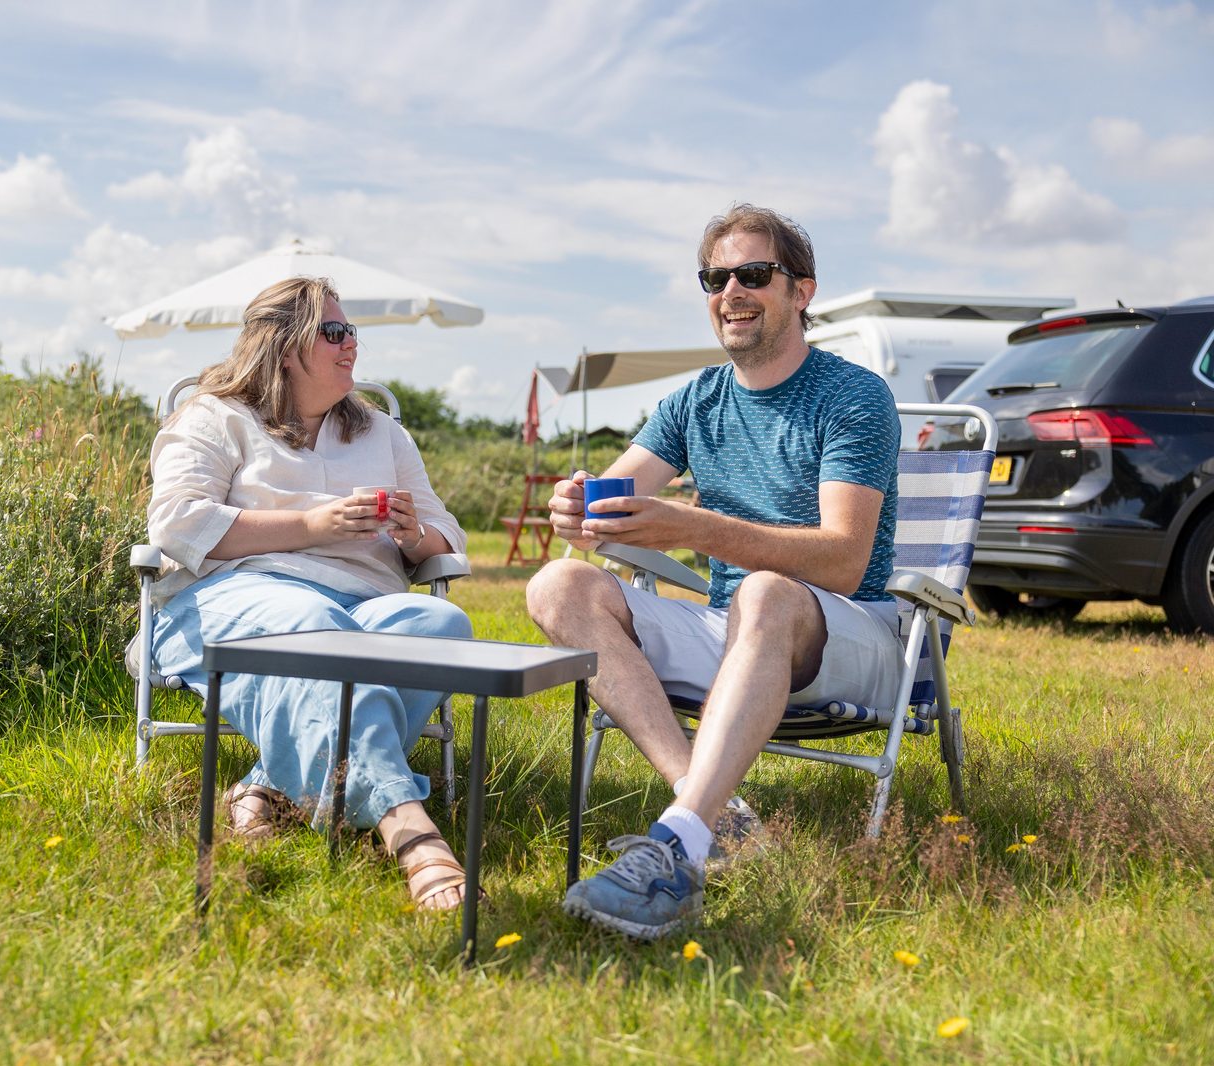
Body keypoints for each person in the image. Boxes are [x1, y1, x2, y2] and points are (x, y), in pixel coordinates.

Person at [527, 204, 902, 940]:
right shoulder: (695, 399)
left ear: (802, 291)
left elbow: (845, 558)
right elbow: (617, 495)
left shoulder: (853, 396)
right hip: (740, 634)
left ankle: (675, 854)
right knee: (556, 584)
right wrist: (577, 508)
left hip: (852, 636)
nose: (731, 289)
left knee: (763, 590)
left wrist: (696, 528)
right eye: (715, 276)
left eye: (753, 273)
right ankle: (711, 815)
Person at [135, 276, 474, 912]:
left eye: (353, 334)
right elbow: (177, 523)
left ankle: (268, 785)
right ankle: (409, 829)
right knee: (315, 624)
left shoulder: (382, 435)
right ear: (283, 345)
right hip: (235, 594)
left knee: (440, 624)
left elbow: (446, 534)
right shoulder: (217, 418)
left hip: (366, 601)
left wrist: (413, 534)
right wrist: (310, 526)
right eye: (335, 332)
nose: (351, 346)